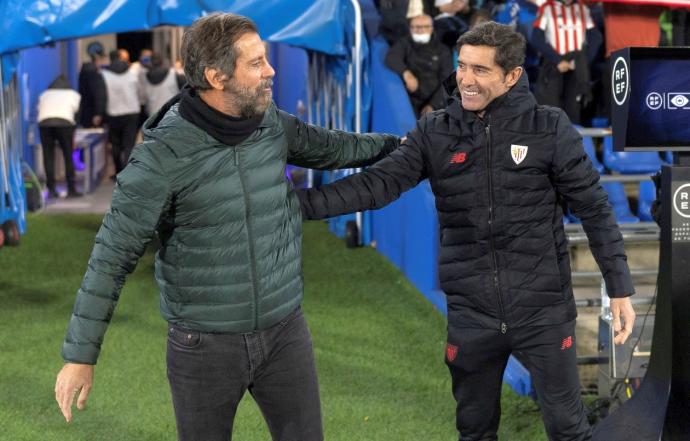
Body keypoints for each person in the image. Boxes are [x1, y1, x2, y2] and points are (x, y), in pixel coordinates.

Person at [54, 12, 399, 441]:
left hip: (285, 331)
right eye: (256, 63)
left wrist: (399, 145)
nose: (270, 70)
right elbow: (111, 256)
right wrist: (80, 355)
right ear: (217, 77)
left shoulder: (271, 122)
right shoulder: (161, 157)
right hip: (203, 347)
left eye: (266, 59)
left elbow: (335, 147)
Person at [297, 21, 636, 440]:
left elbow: (594, 208)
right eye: (462, 66)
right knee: (474, 431)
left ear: (512, 76)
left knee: (569, 429)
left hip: (543, 309)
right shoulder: (436, 130)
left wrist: (618, 285)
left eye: (480, 70)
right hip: (472, 314)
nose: (466, 80)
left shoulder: (549, 128)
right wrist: (295, 206)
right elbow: (377, 184)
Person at [531, 0, 602, 124]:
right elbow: (536, 37)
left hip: (577, 64)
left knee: (574, 108)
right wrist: (557, 60)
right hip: (554, 63)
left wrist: (584, 62)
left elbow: (596, 37)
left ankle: (573, 140)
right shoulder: (548, 7)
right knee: (550, 108)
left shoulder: (582, 8)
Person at [385, 14, 454, 117]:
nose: (420, 30)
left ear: (431, 29)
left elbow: (447, 81)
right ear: (411, 29)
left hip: (435, 102)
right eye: (416, 27)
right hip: (409, 100)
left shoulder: (443, 51)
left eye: (425, 27)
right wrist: (406, 73)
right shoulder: (404, 43)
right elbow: (391, 58)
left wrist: (433, 105)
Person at [37, 75, 83, 199]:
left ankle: (51, 189)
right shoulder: (74, 94)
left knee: (48, 156)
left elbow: (39, 109)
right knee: (68, 156)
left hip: (45, 124)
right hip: (65, 123)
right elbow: (77, 116)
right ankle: (71, 189)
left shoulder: (45, 94)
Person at [101, 49, 142, 176]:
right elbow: (139, 91)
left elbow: (102, 95)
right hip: (132, 112)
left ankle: (117, 171)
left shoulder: (104, 74)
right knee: (129, 144)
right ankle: (128, 172)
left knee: (115, 145)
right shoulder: (132, 73)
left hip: (113, 112)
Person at [77, 41, 106, 128]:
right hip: (92, 114)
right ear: (98, 59)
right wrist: (98, 113)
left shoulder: (85, 71)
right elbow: (98, 94)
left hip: (86, 112)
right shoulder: (93, 73)